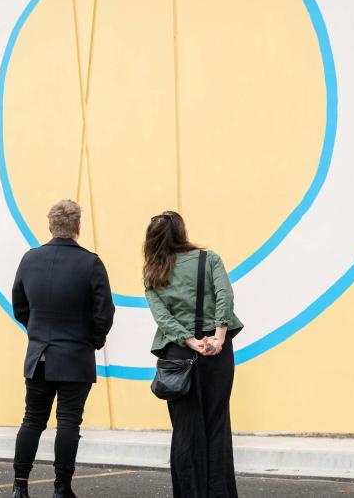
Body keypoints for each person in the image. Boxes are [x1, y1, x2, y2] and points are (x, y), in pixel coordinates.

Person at [11, 200, 115, 498]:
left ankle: (20, 486)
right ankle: (61, 487)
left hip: (39, 356)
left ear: (50, 227)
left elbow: (20, 305)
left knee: (32, 419)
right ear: (78, 227)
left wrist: (37, 331)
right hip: (75, 356)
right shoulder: (91, 263)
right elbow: (104, 312)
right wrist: (93, 340)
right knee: (68, 422)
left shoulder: (29, 259)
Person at [144, 211, 244, 498]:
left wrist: (189, 340)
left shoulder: (153, 272)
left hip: (178, 355)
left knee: (185, 430)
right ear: (182, 232)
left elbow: (162, 317)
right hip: (216, 351)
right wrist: (218, 337)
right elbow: (225, 294)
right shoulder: (208, 258)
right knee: (216, 423)